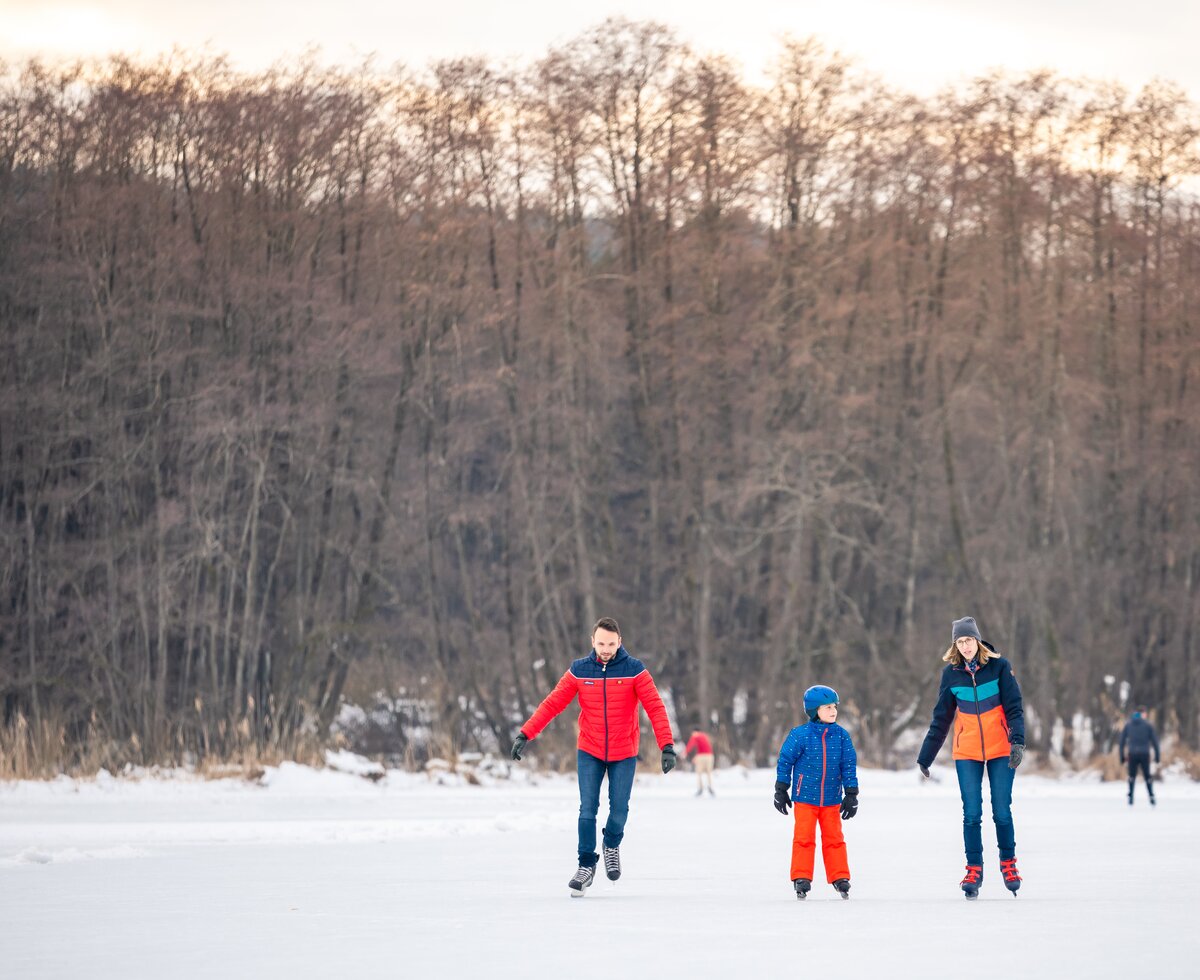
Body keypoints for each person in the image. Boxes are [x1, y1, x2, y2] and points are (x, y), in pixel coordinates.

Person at [509, 616, 676, 896]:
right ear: (592, 642)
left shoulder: (635, 670)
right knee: (587, 809)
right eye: (601, 643)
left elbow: (655, 707)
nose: (606, 649)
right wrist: (525, 734)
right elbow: (552, 704)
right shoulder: (579, 670)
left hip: (624, 751)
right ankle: (586, 866)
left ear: (620, 642)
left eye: (611, 644)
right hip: (590, 749)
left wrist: (666, 746)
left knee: (619, 809)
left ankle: (611, 844)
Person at [917, 616, 1026, 899]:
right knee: (972, 814)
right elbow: (941, 718)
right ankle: (974, 868)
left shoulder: (1000, 668)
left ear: (977, 640)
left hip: (1001, 748)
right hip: (967, 751)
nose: (965, 646)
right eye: (960, 641)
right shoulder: (951, 675)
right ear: (955, 644)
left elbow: (1015, 708)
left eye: (968, 640)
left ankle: (1008, 863)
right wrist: (926, 756)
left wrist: (1017, 742)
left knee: (1001, 810)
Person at [773, 685, 859, 900]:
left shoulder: (841, 736)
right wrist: (781, 788)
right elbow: (785, 761)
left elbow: (848, 765)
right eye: (827, 707)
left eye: (834, 707)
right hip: (805, 798)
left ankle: (840, 877)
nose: (833, 711)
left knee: (835, 839)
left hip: (831, 798)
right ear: (814, 711)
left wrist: (851, 794)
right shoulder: (800, 735)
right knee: (803, 838)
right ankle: (801, 877)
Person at [1119, 708, 1160, 806]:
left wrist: (1121, 757)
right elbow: (1155, 742)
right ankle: (1151, 796)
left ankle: (1131, 797)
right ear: (1142, 714)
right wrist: (1157, 756)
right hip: (1145, 754)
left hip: (1132, 754)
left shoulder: (1128, 725)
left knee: (1131, 776)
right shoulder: (1147, 725)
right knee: (1147, 776)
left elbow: (1121, 742)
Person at [683, 728, 716, 796]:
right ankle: (710, 787)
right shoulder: (705, 736)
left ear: (695, 732)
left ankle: (700, 788)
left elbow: (690, 744)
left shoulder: (695, 736)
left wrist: (685, 753)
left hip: (701, 756)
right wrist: (696, 756)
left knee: (699, 772)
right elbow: (705, 747)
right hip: (710, 756)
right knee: (709, 772)